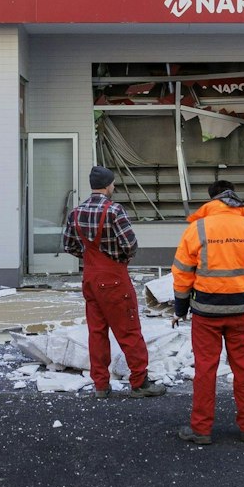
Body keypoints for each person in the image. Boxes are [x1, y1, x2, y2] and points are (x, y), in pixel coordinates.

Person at [171, 180, 244, 444]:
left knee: (205, 369)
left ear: (211, 201)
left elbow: (182, 271)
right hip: (242, 310)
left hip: (206, 312)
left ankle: (201, 430)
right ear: (235, 199)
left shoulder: (198, 228)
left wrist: (180, 306)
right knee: (243, 368)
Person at [62, 166, 165, 398]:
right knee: (129, 331)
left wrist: (89, 257)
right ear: (108, 185)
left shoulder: (76, 213)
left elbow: (69, 245)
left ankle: (100, 385)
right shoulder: (114, 211)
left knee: (96, 333)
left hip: (90, 278)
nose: (114, 187)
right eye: (113, 184)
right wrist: (119, 259)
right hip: (114, 279)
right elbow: (131, 245)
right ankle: (139, 382)